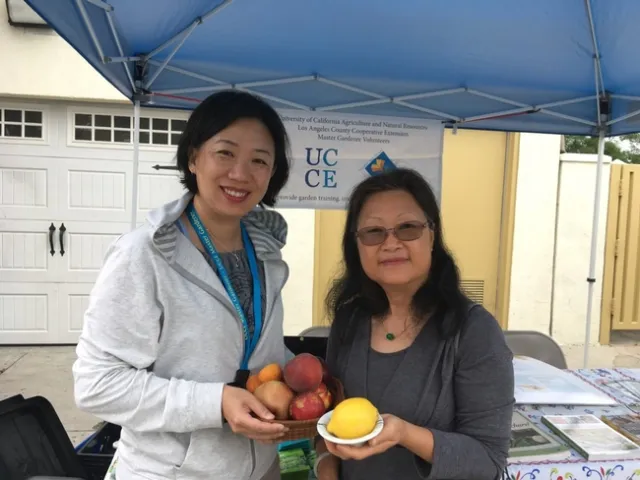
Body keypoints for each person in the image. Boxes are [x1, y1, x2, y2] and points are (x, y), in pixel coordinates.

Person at [73, 90, 293, 480]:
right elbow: (98, 384)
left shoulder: (266, 254)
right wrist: (215, 402)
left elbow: (259, 354)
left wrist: (309, 380)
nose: (241, 173)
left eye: (260, 160)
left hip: (259, 469)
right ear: (193, 157)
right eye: (225, 153)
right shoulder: (144, 255)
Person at [314, 168, 515, 480]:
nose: (391, 243)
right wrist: (326, 467)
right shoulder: (350, 319)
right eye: (373, 231)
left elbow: (488, 461)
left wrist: (405, 434)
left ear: (432, 236)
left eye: (408, 227)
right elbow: (329, 424)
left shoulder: (475, 332)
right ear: (356, 245)